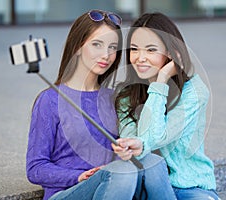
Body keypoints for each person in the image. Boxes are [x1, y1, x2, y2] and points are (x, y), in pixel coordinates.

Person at [26, 10, 176, 200]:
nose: (106, 55)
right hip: (68, 193)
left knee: (151, 161)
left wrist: (161, 80)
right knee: (124, 173)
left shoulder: (115, 99)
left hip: (112, 186)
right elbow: (35, 168)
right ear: (78, 46)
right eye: (97, 44)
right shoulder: (50, 100)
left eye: (112, 47)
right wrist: (79, 176)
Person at [112, 12, 220, 200]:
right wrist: (159, 84)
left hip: (190, 187)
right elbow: (139, 150)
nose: (140, 58)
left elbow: (157, 137)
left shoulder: (194, 91)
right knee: (151, 162)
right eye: (134, 49)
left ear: (170, 53)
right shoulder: (126, 97)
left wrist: (161, 81)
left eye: (151, 50)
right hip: (148, 186)